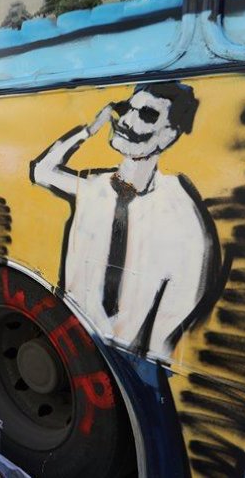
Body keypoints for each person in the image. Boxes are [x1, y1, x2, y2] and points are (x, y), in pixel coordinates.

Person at [31, 81, 220, 358]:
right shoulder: (95, 185)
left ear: (168, 135)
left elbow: (163, 343)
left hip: (125, 365)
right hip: (69, 341)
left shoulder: (184, 220)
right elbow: (41, 171)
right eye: (127, 109)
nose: (127, 120)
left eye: (147, 114)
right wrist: (90, 129)